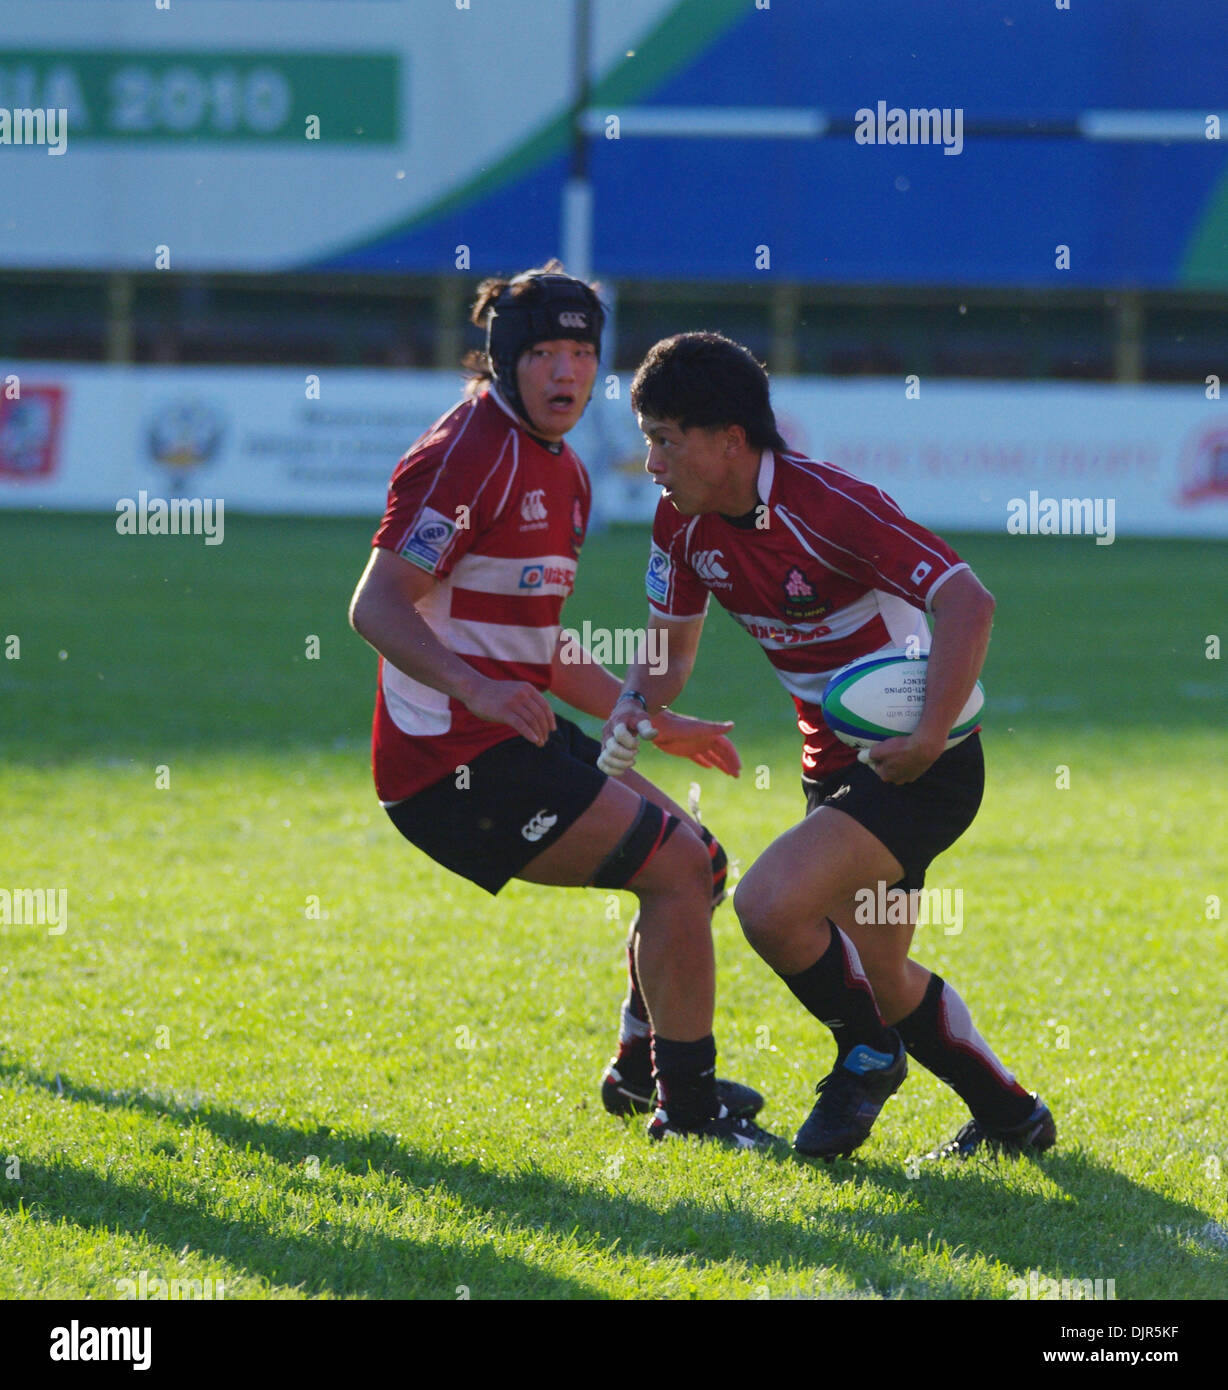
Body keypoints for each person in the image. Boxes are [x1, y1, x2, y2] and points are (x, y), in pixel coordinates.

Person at [601, 331, 1056, 1162]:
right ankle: (1012, 1116)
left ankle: (866, 1056)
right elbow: (668, 652)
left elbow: (969, 601)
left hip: (920, 766)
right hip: (835, 772)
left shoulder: (829, 507)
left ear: (729, 440)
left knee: (769, 904)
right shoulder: (681, 524)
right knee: (881, 974)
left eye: (665, 441)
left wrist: (927, 736)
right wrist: (633, 704)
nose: (652, 464)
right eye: (647, 442)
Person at [347, 267, 775, 1149]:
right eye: (544, 351)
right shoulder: (465, 453)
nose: (567, 371)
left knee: (698, 863)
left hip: (509, 738)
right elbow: (376, 606)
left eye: (581, 352)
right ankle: (690, 1114)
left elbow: (536, 644)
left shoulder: (566, 473)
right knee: (673, 866)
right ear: (506, 359)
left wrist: (647, 716)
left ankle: (641, 1071)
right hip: (447, 765)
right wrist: (478, 688)